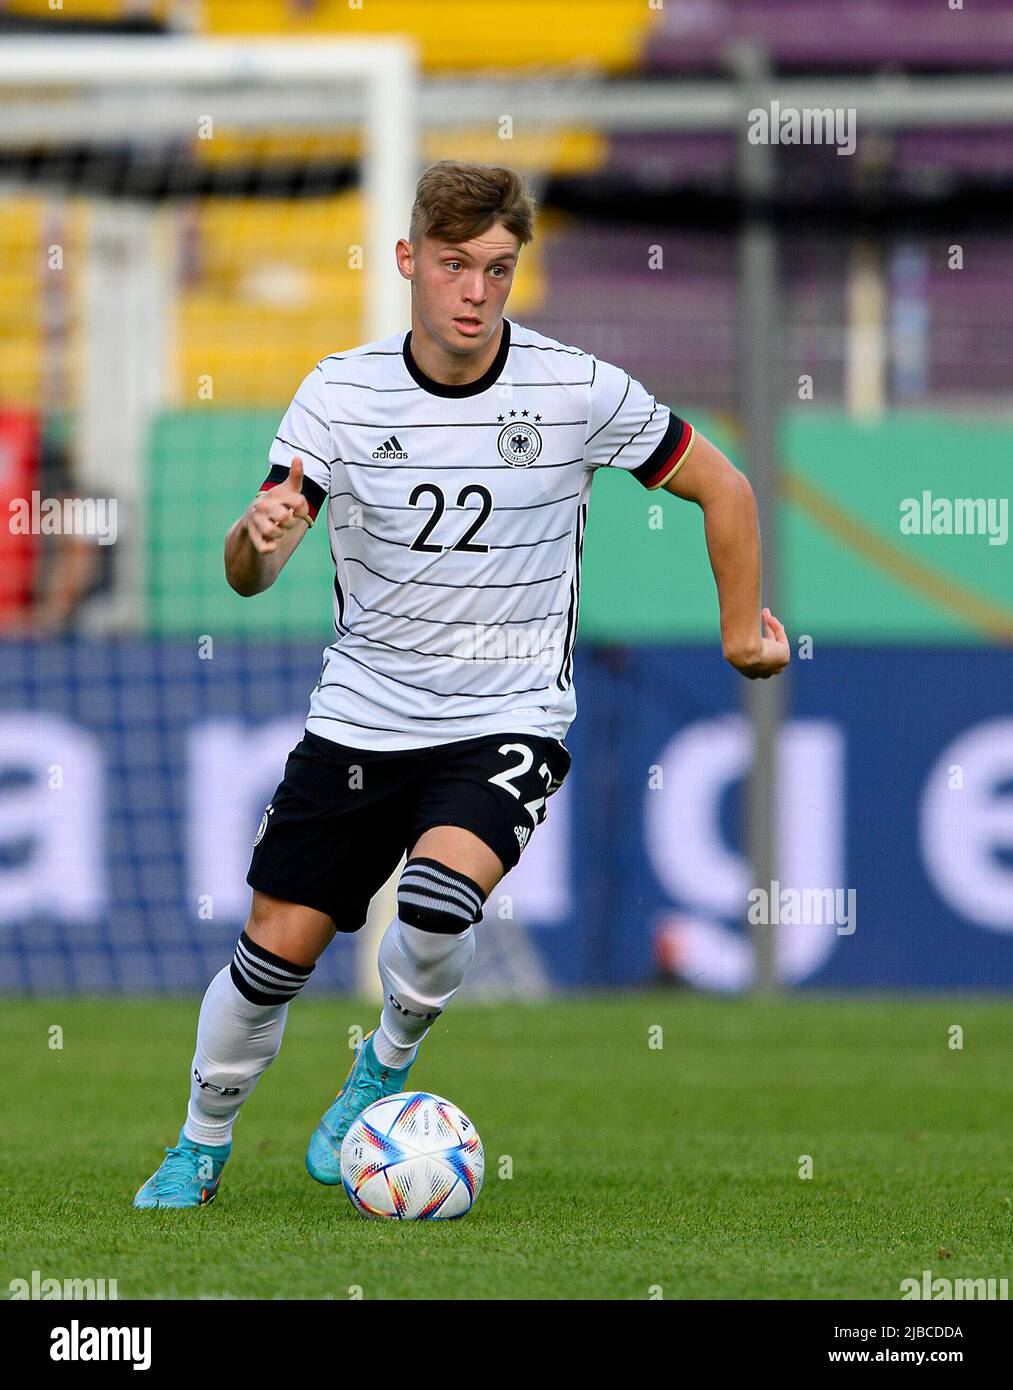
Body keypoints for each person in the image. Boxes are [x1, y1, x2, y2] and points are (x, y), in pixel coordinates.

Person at [135, 160, 789, 1208]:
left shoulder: (574, 388)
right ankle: (201, 1141)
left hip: (507, 714)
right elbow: (251, 573)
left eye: (497, 267)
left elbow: (723, 482)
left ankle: (380, 1066)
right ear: (408, 262)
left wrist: (738, 631)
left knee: (439, 903)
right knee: (273, 959)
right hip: (360, 718)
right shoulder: (337, 394)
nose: (476, 291)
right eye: (454, 266)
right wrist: (252, 541)